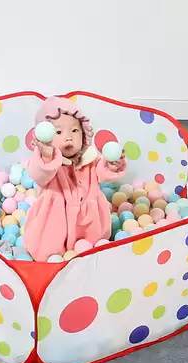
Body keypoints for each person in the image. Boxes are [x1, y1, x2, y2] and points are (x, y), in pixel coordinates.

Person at [24, 96, 127, 261]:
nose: (68, 137)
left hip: (88, 222)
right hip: (55, 223)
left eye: (74, 131)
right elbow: (39, 174)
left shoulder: (89, 160)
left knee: (94, 249)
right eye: (58, 132)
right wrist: (47, 156)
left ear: (84, 134)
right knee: (47, 251)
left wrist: (113, 165)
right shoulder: (47, 162)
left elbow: (102, 172)